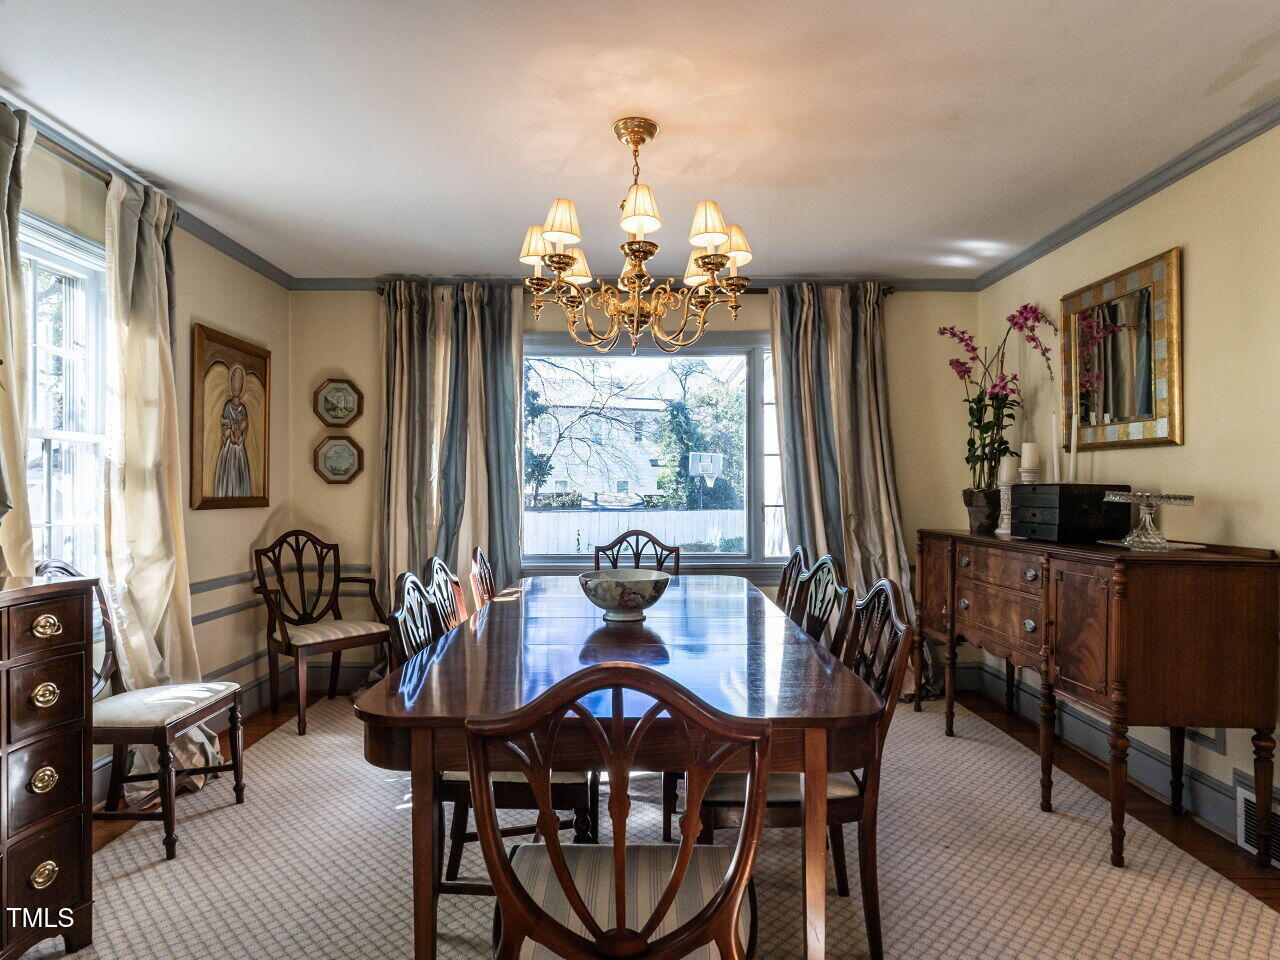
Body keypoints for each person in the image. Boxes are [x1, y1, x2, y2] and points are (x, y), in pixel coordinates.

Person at [214, 364, 252, 498]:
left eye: (239, 382)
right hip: (229, 448)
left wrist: (242, 433)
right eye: (235, 381)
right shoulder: (227, 406)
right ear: (231, 384)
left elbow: (245, 428)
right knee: (228, 473)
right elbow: (223, 426)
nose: (237, 385)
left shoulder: (244, 408)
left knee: (239, 473)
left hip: (239, 447)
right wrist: (228, 430)